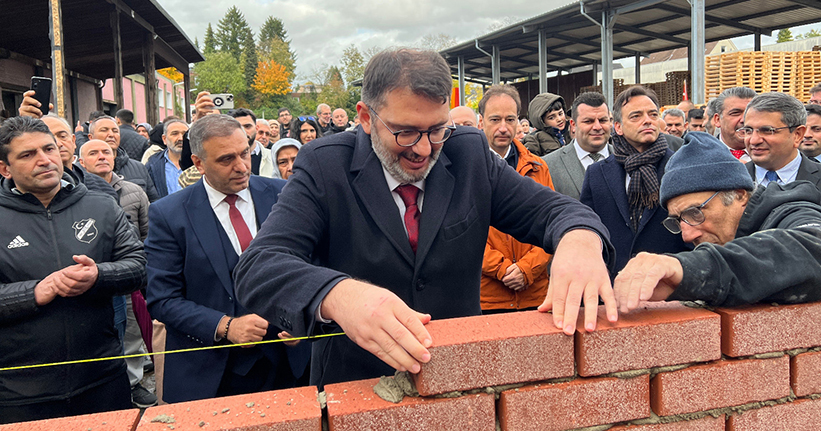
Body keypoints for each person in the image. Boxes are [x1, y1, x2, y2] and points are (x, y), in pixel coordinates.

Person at [233, 48, 617, 387]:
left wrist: (580, 239)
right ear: (366, 118)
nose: (422, 150)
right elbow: (259, 267)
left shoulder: (467, 154)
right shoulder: (325, 164)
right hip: (358, 385)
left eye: (436, 130)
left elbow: (553, 210)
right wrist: (337, 295)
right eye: (404, 132)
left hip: (458, 380)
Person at [145, 114, 309, 403]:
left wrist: (302, 321)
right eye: (226, 159)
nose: (242, 166)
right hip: (213, 374)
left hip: (289, 366)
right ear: (198, 163)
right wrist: (225, 325)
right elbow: (162, 299)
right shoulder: (169, 214)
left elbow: (313, 267)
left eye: (245, 152)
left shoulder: (283, 194)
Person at [0, 117, 146, 423]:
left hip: (103, 379)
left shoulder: (101, 205)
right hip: (20, 392)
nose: (44, 160)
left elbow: (139, 266)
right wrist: (35, 292)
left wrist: (99, 276)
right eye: (27, 155)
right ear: (5, 168)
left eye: (49, 148)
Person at [613, 131, 821, 312]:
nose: (687, 235)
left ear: (740, 195)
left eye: (695, 212)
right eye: (678, 220)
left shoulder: (791, 212)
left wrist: (690, 270)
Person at [580, 86, 691, 277]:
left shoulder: (682, 168)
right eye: (636, 116)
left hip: (666, 287)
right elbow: (587, 232)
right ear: (618, 127)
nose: (647, 120)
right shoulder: (597, 173)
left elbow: (693, 234)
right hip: (612, 285)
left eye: (653, 114)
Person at [78, 139, 156, 408]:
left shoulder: (134, 191)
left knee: (132, 333)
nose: (101, 157)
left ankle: (133, 384)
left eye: (106, 152)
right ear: (81, 162)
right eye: (93, 153)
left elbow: (147, 233)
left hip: (128, 277)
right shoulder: (76, 194)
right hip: (91, 281)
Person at [741, 92, 821, 239]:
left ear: (798, 134)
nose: (753, 140)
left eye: (767, 130)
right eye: (748, 130)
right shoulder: (730, 184)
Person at [477, 85, 553, 313]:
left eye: (510, 119)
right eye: (494, 120)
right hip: (487, 297)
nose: (503, 128)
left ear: (519, 122)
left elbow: (549, 224)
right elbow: (462, 233)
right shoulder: (466, 170)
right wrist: (502, 269)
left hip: (535, 296)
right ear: (481, 123)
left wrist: (526, 269)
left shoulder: (538, 166)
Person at [544, 92, 613, 200]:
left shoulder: (627, 160)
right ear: (573, 125)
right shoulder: (547, 166)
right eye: (588, 121)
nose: (597, 127)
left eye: (603, 120)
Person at [88, 116, 159, 202]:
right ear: (90, 137)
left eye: (115, 131)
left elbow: (153, 202)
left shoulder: (139, 168)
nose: (111, 134)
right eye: (104, 130)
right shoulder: (80, 170)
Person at [146, 119, 189, 198]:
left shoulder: (199, 162)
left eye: (184, 134)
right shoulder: (153, 164)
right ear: (164, 139)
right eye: (175, 134)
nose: (180, 138)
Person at [228, 108, 274, 177]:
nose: (243, 131)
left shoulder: (272, 157)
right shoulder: (223, 160)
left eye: (247, 126)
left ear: (256, 128)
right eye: (237, 127)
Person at [714, 87, 755, 162]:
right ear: (718, 120)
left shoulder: (774, 156)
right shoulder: (701, 155)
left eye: (750, 113)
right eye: (735, 113)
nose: (744, 120)